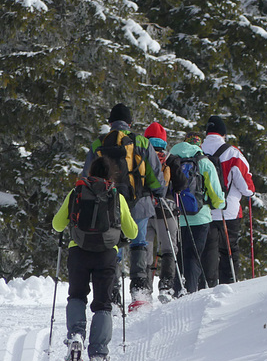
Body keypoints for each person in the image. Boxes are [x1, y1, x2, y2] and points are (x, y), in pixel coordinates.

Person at [53, 156, 138, 361]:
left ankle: (76, 337)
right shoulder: (116, 196)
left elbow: (57, 224)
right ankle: (99, 355)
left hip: (78, 250)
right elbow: (132, 232)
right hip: (106, 254)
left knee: (77, 296)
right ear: (110, 176)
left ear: (90, 172)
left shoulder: (76, 192)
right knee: (102, 304)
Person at [80, 103, 166, 307]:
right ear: (130, 122)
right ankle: (139, 292)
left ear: (110, 123)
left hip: (107, 204)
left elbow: (86, 175)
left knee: (113, 245)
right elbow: (154, 174)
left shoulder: (98, 143)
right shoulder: (142, 142)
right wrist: (158, 192)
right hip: (139, 203)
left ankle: (113, 293)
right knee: (139, 244)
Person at [200, 116, 255, 286]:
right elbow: (247, 188)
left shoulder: (197, 150)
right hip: (228, 211)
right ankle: (229, 285)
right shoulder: (232, 153)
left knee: (207, 250)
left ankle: (206, 286)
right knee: (229, 250)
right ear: (223, 133)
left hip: (202, 211)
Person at [169, 139, 225, 294]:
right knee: (193, 256)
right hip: (200, 217)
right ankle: (190, 291)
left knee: (179, 255)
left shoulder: (170, 160)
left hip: (175, 216)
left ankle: (177, 289)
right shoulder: (203, 162)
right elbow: (216, 193)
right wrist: (218, 204)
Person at [143, 122, 188, 303]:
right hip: (166, 210)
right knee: (169, 248)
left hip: (145, 210)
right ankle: (166, 286)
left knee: (145, 250)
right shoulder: (170, 158)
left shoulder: (140, 156)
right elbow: (181, 185)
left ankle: (144, 288)